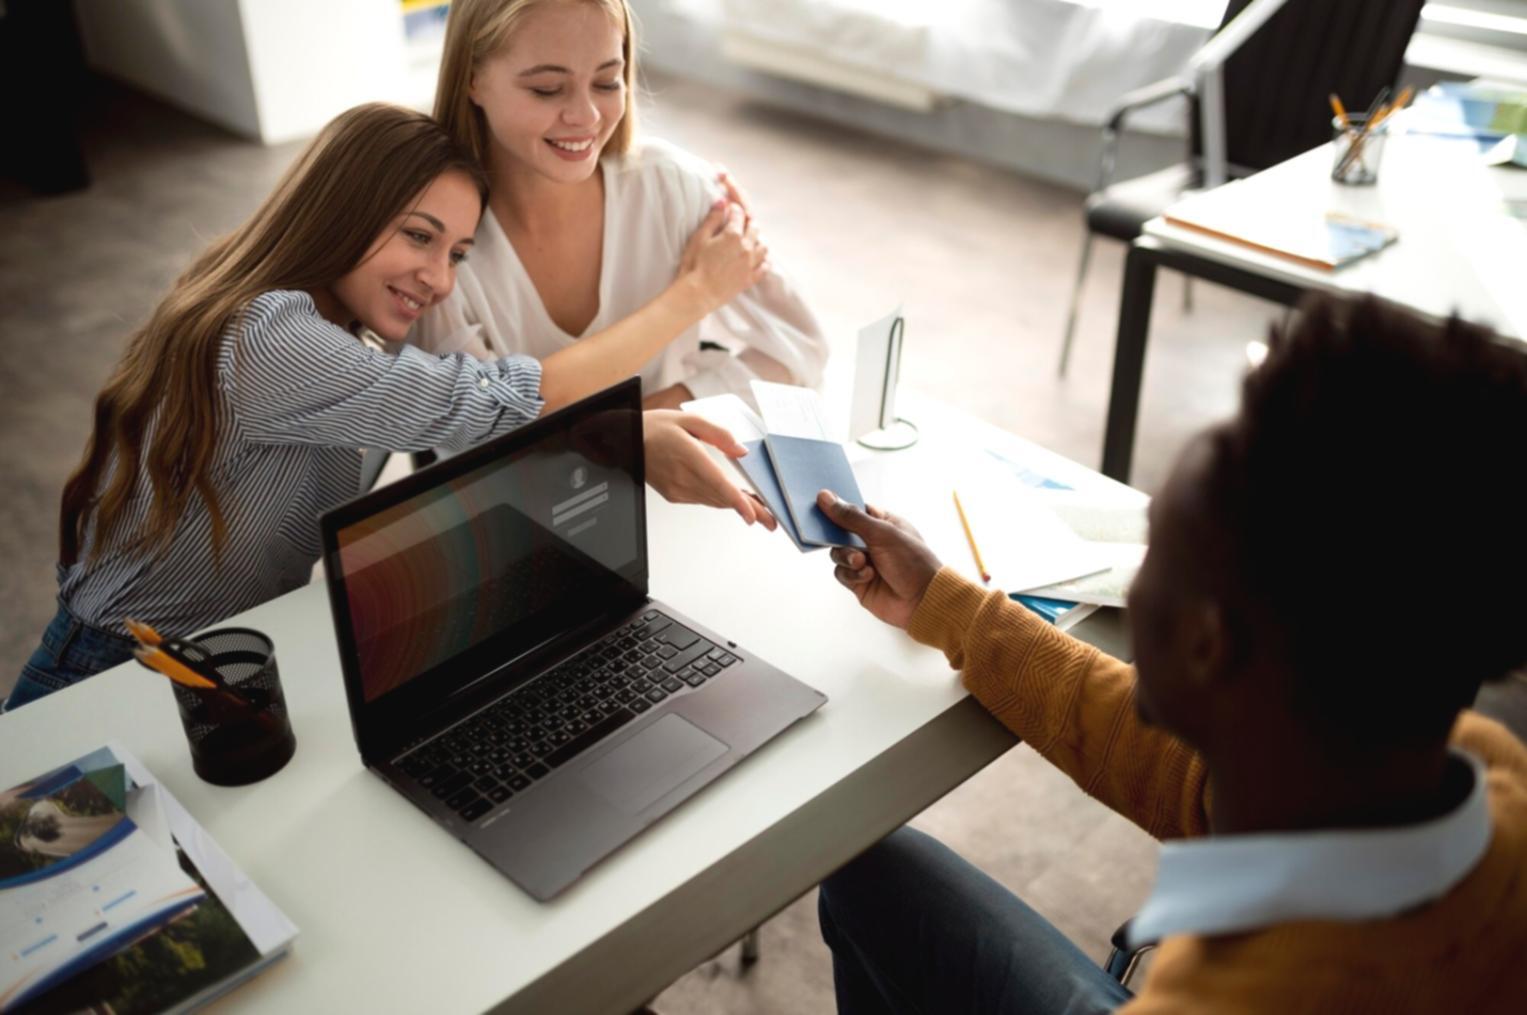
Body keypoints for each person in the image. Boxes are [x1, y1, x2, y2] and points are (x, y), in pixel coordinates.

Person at [812, 294, 1527, 1013]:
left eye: (1156, 549)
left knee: (862, 877)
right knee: (872, 875)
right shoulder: (1473, 765)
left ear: (1205, 644)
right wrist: (942, 600)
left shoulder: (1224, 994)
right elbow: (1182, 768)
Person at [7, 102, 771, 712]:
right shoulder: (272, 336)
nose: (439, 277)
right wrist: (696, 295)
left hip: (218, 658)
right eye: (418, 236)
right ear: (341, 209)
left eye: (458, 254)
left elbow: (471, 427)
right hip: (115, 666)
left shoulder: (353, 343)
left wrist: (628, 430)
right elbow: (495, 398)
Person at [416, 0, 828, 411]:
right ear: (472, 78)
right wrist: (695, 294)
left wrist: (664, 413)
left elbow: (802, 347)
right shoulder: (433, 239)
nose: (587, 115)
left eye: (607, 82)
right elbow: (482, 423)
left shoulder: (672, 187)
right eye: (547, 89)